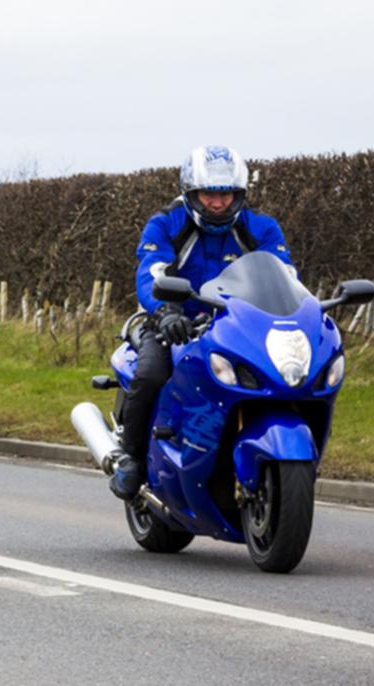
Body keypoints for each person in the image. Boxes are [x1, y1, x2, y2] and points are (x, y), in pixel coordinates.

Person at [108, 145, 295, 500]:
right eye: (209, 193)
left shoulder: (261, 228)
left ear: (239, 194)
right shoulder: (166, 223)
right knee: (150, 374)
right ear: (191, 192)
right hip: (173, 323)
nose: (218, 203)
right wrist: (165, 312)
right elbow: (152, 273)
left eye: (226, 194)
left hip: (238, 328)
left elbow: (284, 275)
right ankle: (130, 460)